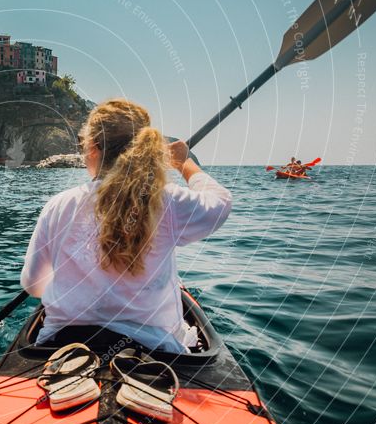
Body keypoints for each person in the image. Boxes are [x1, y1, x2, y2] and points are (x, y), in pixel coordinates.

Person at [20, 98, 232, 354]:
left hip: (61, 345)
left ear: (94, 148)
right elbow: (220, 202)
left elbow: (33, 285)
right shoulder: (167, 200)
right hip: (151, 349)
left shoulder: (59, 204)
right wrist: (185, 163)